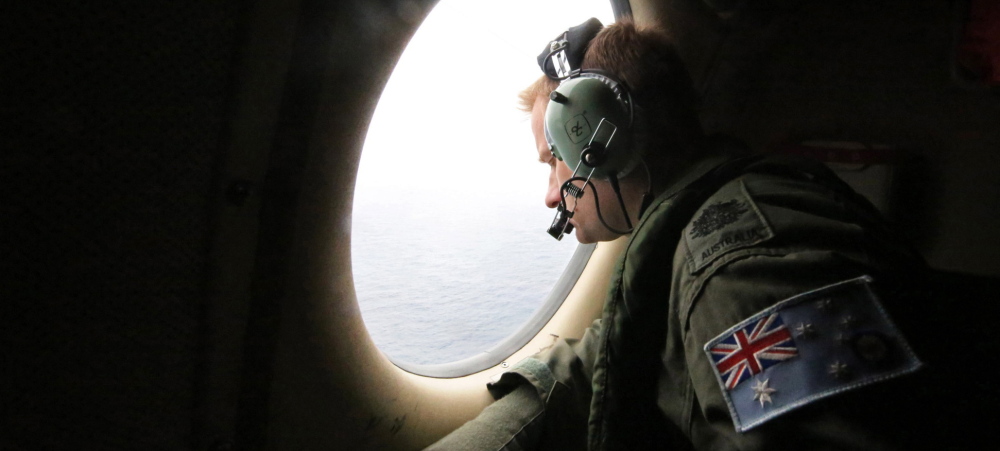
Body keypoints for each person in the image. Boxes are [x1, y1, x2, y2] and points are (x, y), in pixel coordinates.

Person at [428, 17, 940, 450]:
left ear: (601, 142)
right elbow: (609, 354)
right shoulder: (686, 241)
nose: (549, 194)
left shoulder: (740, 264)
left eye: (555, 160)